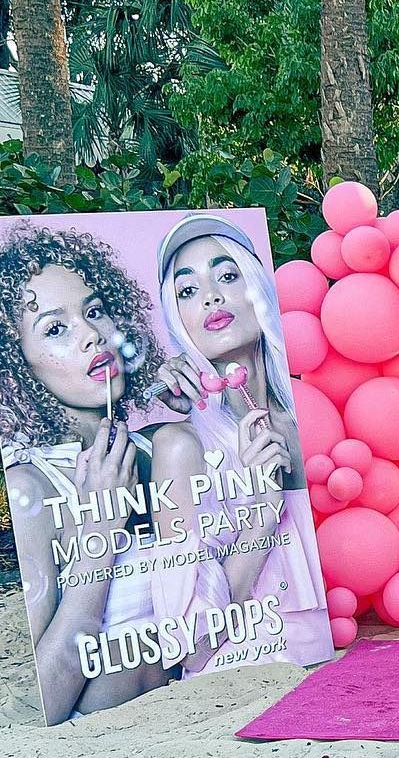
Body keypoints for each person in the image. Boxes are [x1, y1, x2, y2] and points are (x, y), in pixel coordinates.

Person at [0, 223, 179, 722]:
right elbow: (43, 706)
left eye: (94, 311)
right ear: (18, 364)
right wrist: (98, 532)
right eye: (55, 329)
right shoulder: (30, 487)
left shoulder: (164, 446)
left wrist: (203, 407)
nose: (92, 335)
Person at [149, 214, 330, 670]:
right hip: (250, 679)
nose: (211, 296)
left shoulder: (318, 410)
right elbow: (193, 651)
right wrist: (262, 510)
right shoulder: (180, 446)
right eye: (187, 290)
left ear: (258, 288)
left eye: (227, 275)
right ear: (178, 319)